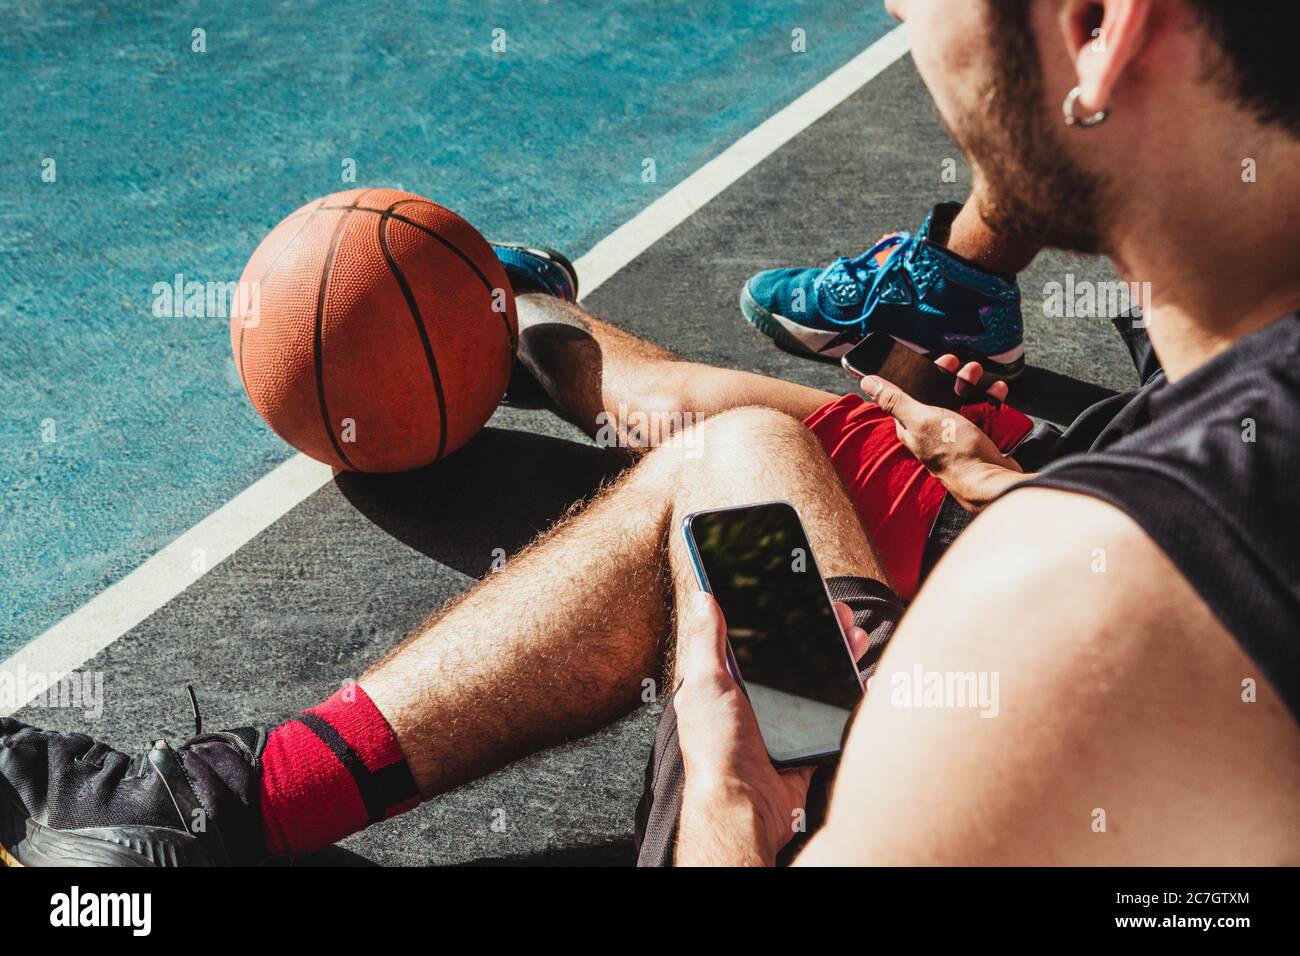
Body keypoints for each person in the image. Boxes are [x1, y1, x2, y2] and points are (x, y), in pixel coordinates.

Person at [2, 0, 1298, 867]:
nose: (901, 14)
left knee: (731, 472)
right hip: (1057, 496)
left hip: (978, 658)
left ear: (1099, 27)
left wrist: (734, 820)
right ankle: (537, 329)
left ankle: (219, 807)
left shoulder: (1105, 604)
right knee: (762, 447)